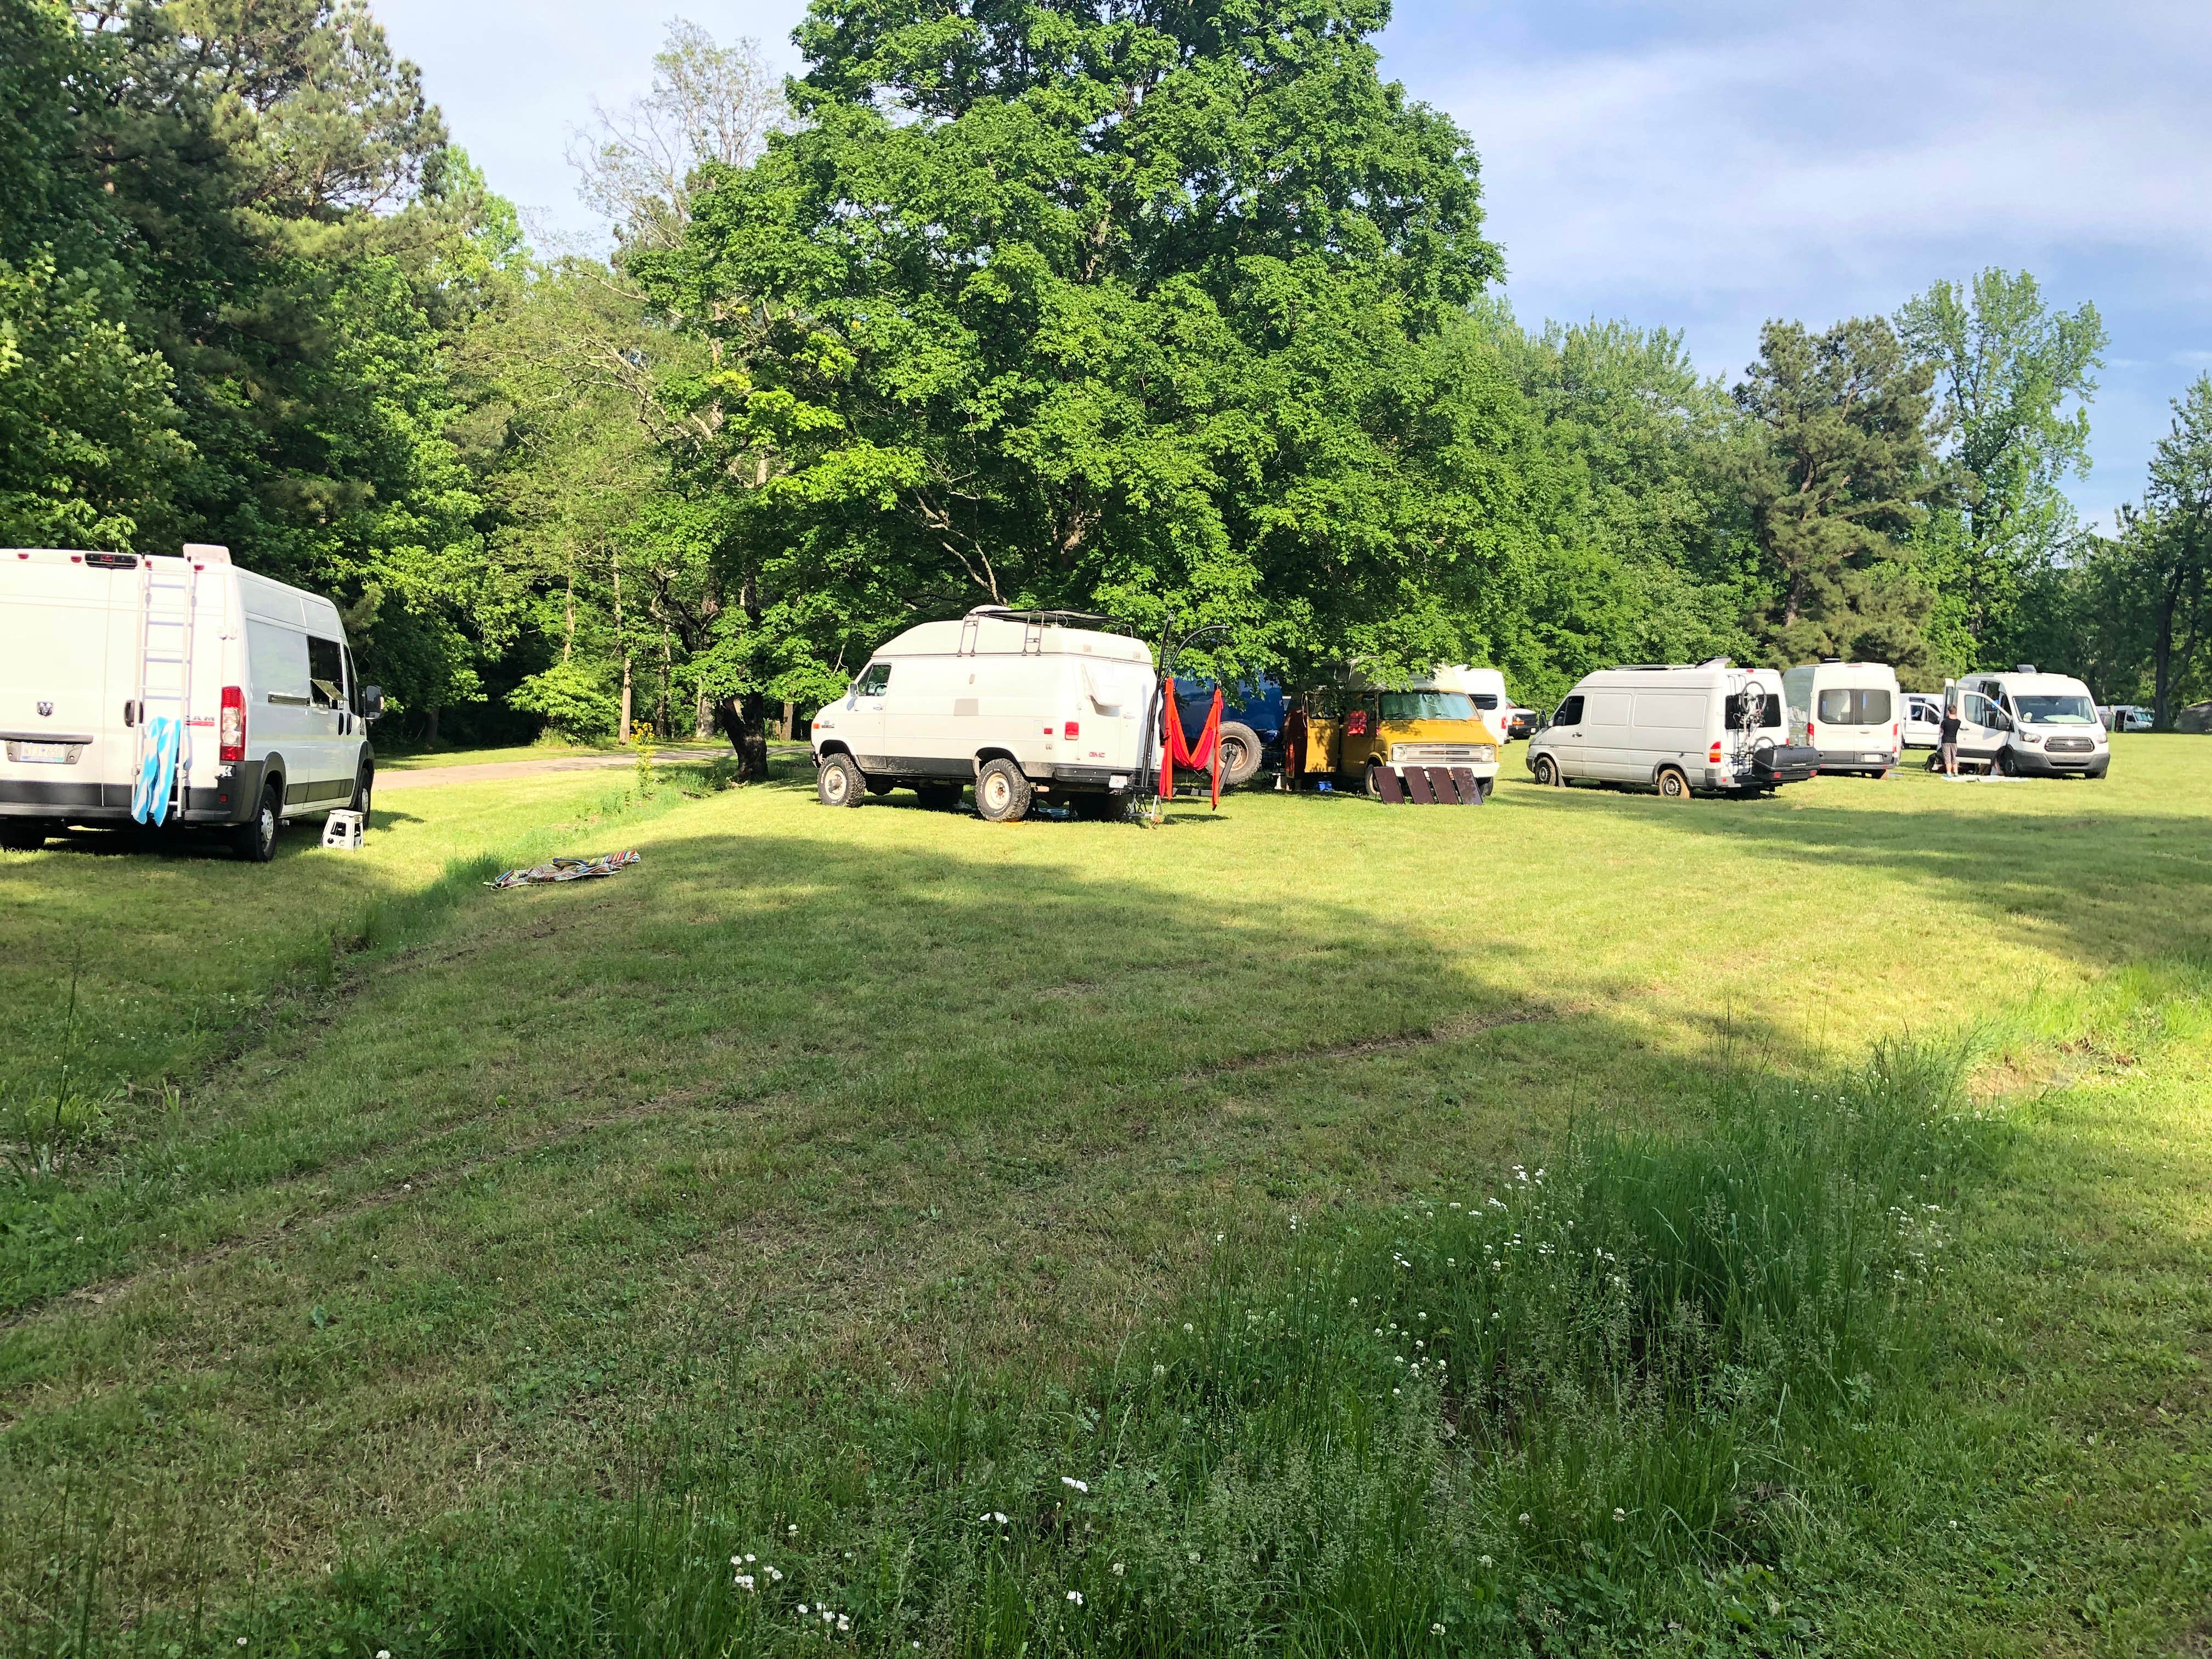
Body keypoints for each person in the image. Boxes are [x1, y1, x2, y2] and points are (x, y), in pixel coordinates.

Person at [1939, 702, 1961, 777]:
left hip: (1946, 741)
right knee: (1954, 757)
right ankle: (1956, 772)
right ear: (1955, 712)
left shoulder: (1945, 721)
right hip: (1954, 741)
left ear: (1948, 712)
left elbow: (1941, 731)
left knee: (1948, 758)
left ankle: (1949, 773)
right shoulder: (1958, 722)